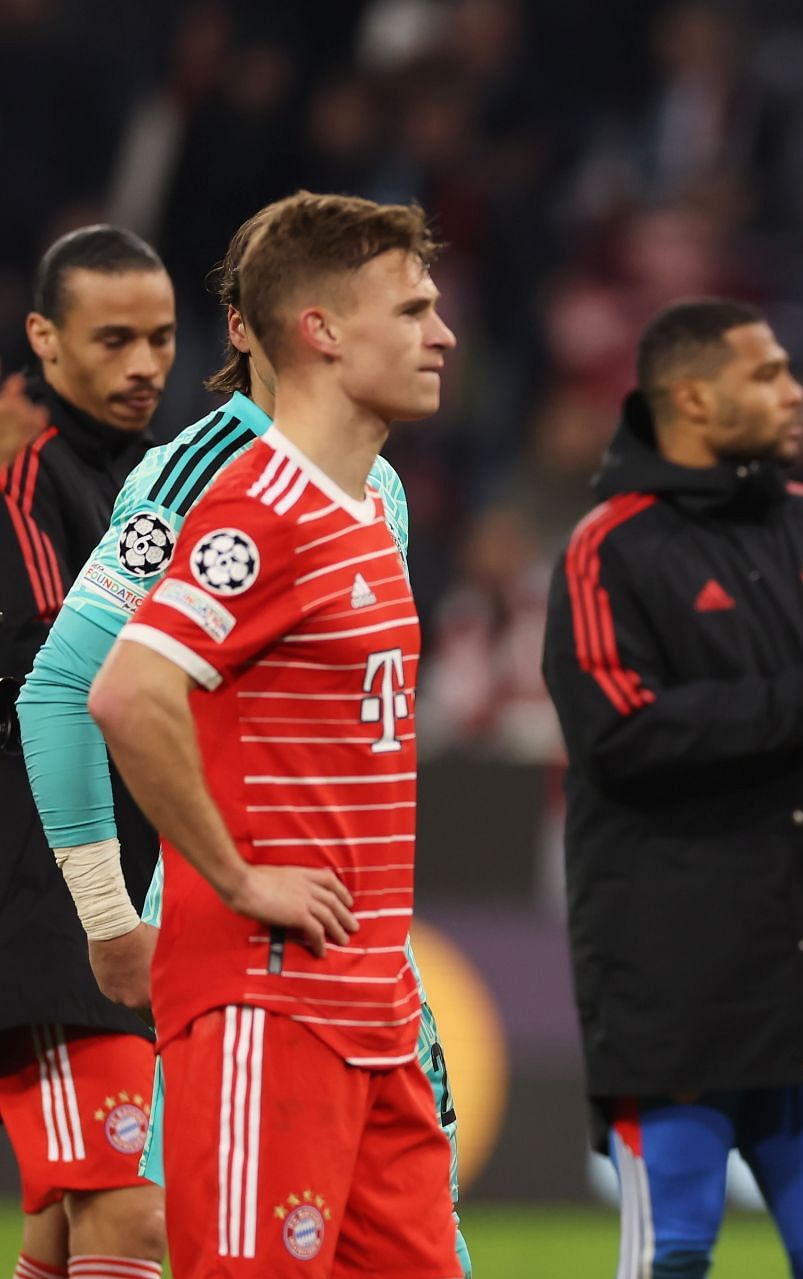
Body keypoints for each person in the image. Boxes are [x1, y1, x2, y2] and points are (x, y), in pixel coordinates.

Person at [17, 209, 472, 1276]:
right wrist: (119, 911)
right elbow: (79, 692)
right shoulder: (215, 487)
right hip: (253, 972)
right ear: (307, 327)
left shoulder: (378, 492)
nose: (444, 334)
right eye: (413, 309)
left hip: (363, 974)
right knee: (124, 1219)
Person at [542, 299, 803, 1279]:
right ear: (691, 396)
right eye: (767, 373)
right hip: (677, 988)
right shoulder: (611, 548)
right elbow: (622, 736)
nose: (795, 390)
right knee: (673, 1256)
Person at [0, 226, 176, 1279]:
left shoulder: (164, 467)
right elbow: (53, 667)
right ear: (44, 339)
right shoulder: (23, 479)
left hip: (133, 886)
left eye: (159, 337)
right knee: (134, 1217)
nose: (144, 364)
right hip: (50, 900)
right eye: (113, 340)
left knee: (63, 1234)